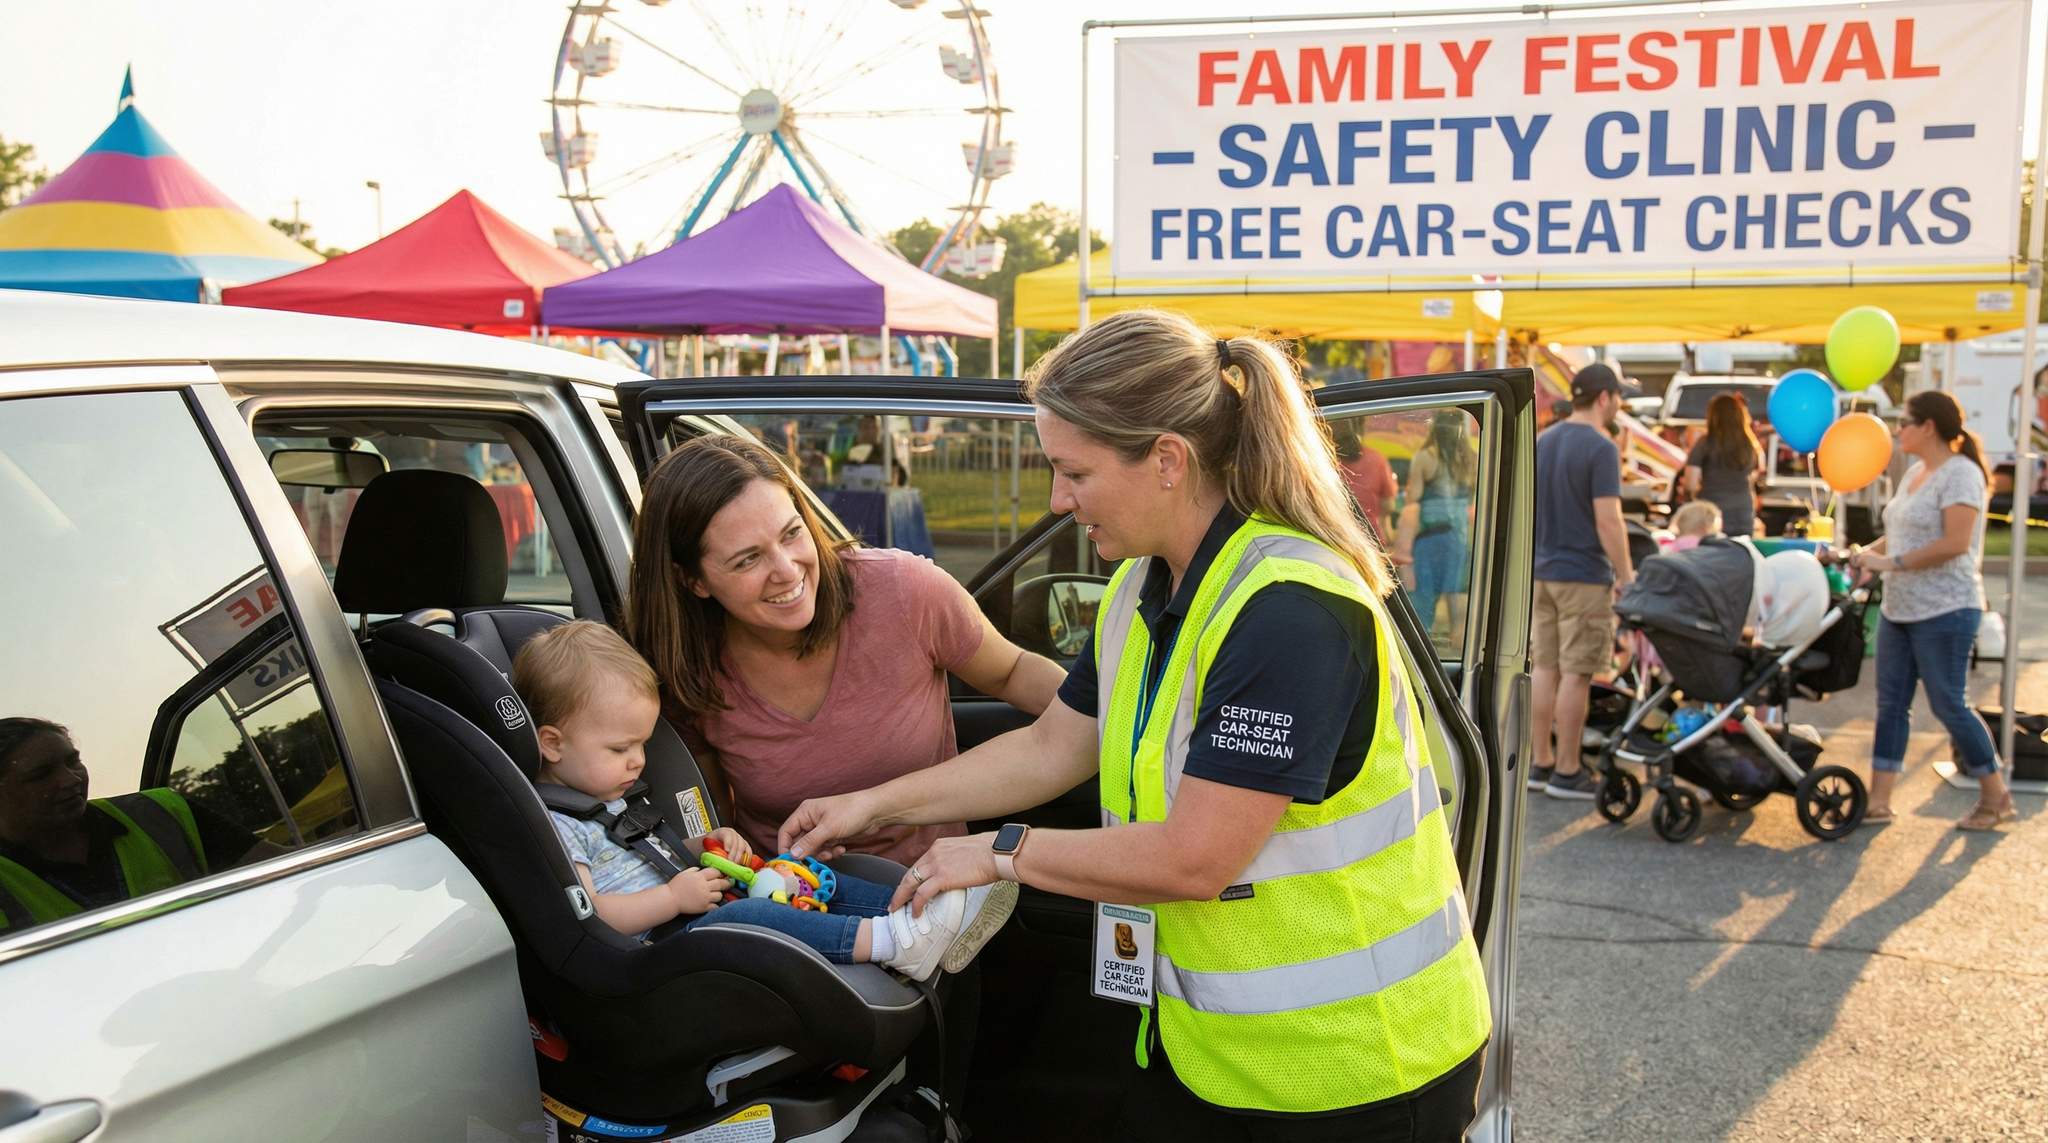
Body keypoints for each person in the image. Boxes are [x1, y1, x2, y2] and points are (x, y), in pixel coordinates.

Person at [776, 310, 1491, 1141]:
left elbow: (1195, 855)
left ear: (1166, 460)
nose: (1056, 497)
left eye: (1072, 471)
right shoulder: (1140, 589)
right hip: (1212, 1053)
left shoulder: (1288, 610)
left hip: (1358, 1071)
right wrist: (870, 806)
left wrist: (1000, 851)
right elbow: (1054, 744)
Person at [623, 433, 1063, 864]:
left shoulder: (904, 591)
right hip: (788, 908)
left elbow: (1012, 673)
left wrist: (1114, 720)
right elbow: (710, 814)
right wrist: (722, 854)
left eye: (792, 533)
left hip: (934, 901)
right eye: (748, 559)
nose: (786, 570)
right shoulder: (687, 665)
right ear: (693, 580)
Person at [514, 621, 1015, 980]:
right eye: (620, 749)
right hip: (655, 954)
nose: (638, 761)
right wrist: (673, 898)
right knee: (750, 918)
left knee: (794, 871)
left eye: (642, 745)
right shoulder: (558, 824)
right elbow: (589, 914)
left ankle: (923, 912)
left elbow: (648, 858)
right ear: (553, 743)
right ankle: (888, 943)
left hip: (686, 912)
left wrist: (703, 845)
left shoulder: (613, 800)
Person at [1849, 391, 2017, 831]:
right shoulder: (1916, 474)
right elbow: (1900, 533)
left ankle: (1995, 795)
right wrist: (1866, 555)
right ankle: (1879, 800)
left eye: (1904, 422)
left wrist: (1891, 564)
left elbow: (1954, 543)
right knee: (1890, 705)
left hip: (1946, 608)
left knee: (1948, 703)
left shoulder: (1961, 475)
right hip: (1900, 609)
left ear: (1928, 427)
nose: (1897, 430)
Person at [0, 717, 271, 932]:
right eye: (41, 775)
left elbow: (277, 870)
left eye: (73, 761)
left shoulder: (162, 811)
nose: (71, 779)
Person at [1530, 363, 1636, 800]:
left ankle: (1541, 762)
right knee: (1577, 674)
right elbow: (1609, 520)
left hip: (1541, 572)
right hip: (1584, 576)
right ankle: (1569, 770)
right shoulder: (1601, 447)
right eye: (1619, 397)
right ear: (1604, 398)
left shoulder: (1542, 440)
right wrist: (1627, 576)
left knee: (1544, 668)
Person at [1393, 410, 1477, 641]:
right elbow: (1472, 501)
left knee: (1425, 596)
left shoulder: (1425, 457)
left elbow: (1414, 499)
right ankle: (1459, 645)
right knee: (1455, 593)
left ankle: (1425, 646)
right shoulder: (1471, 458)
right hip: (1459, 537)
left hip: (1429, 537)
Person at [1683, 393, 1764, 537]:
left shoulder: (1705, 443)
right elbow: (1756, 473)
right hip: (1743, 512)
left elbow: (1690, 484)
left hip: (1713, 515)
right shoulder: (1750, 444)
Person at [1331, 419, 1397, 538]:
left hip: (1337, 538)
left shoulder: (1324, 462)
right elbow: (1388, 505)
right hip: (1370, 538)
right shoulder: (1376, 459)